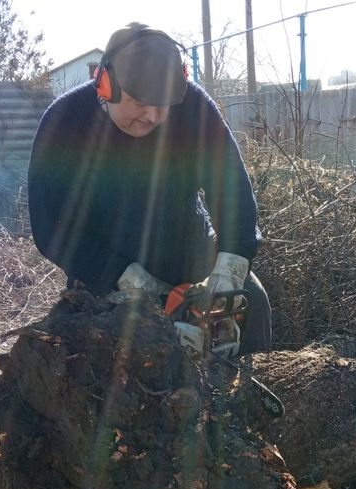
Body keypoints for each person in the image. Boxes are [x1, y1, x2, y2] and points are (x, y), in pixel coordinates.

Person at [28, 22, 270, 357]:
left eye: (163, 104)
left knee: (254, 304)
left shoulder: (194, 109)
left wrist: (227, 275)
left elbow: (234, 194)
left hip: (189, 249)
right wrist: (137, 287)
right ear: (105, 83)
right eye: (140, 102)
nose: (153, 115)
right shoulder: (64, 124)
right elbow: (51, 229)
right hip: (104, 269)